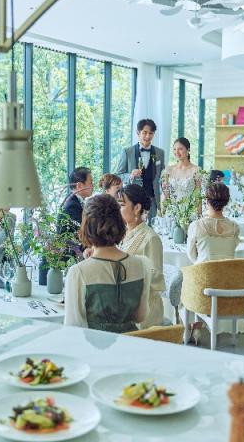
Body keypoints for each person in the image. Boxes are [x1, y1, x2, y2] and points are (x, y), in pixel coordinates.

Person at [64, 194, 152, 333]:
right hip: (133, 344)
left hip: (95, 345)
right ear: (119, 223)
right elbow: (140, 317)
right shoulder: (142, 264)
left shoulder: (78, 272)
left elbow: (73, 328)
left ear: (87, 227)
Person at [117, 184, 165, 328]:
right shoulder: (124, 234)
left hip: (145, 310)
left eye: (122, 205)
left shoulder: (151, 238)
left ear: (137, 208)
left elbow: (156, 278)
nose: (118, 209)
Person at [115, 119, 166, 220]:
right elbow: (118, 175)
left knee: (152, 227)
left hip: (152, 200)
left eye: (151, 133)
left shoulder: (160, 153)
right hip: (132, 200)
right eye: (145, 132)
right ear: (138, 133)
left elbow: (162, 175)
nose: (148, 136)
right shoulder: (127, 152)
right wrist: (130, 175)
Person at [187, 182, 240, 264]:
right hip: (227, 271)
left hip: (203, 271)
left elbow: (192, 256)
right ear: (226, 202)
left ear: (207, 201)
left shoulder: (196, 226)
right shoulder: (234, 227)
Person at [161, 137, 201, 205]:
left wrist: (199, 212)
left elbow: (198, 196)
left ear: (188, 150)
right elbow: (165, 195)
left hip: (189, 210)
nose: (176, 152)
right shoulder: (168, 170)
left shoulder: (196, 170)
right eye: (174, 149)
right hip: (171, 209)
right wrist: (162, 210)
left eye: (180, 149)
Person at [59, 166, 93, 235]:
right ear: (79, 185)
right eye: (91, 182)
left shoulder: (74, 200)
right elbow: (85, 230)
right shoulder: (72, 205)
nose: (93, 186)